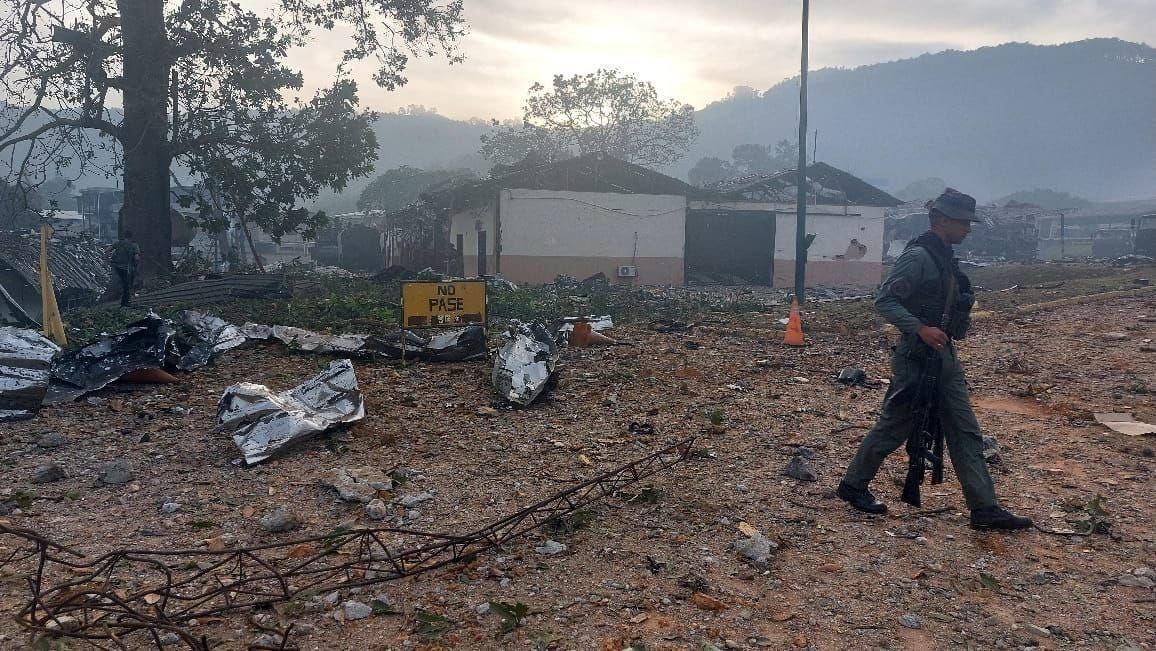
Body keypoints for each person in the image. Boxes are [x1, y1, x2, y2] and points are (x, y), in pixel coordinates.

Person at [836, 188, 1032, 531]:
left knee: (965, 429)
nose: (968, 229)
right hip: (916, 357)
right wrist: (920, 329)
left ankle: (984, 507)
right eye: (963, 222)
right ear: (942, 220)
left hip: (943, 357)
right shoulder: (919, 257)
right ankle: (853, 485)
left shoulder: (943, 256)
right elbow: (884, 301)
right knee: (895, 425)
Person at [107, 230, 140, 307]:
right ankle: (125, 303)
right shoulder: (134, 245)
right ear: (131, 236)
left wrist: (108, 260)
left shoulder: (118, 243)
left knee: (124, 284)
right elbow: (137, 258)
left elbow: (107, 250)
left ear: (124, 236)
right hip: (127, 268)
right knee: (127, 285)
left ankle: (124, 302)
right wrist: (135, 266)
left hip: (116, 267)